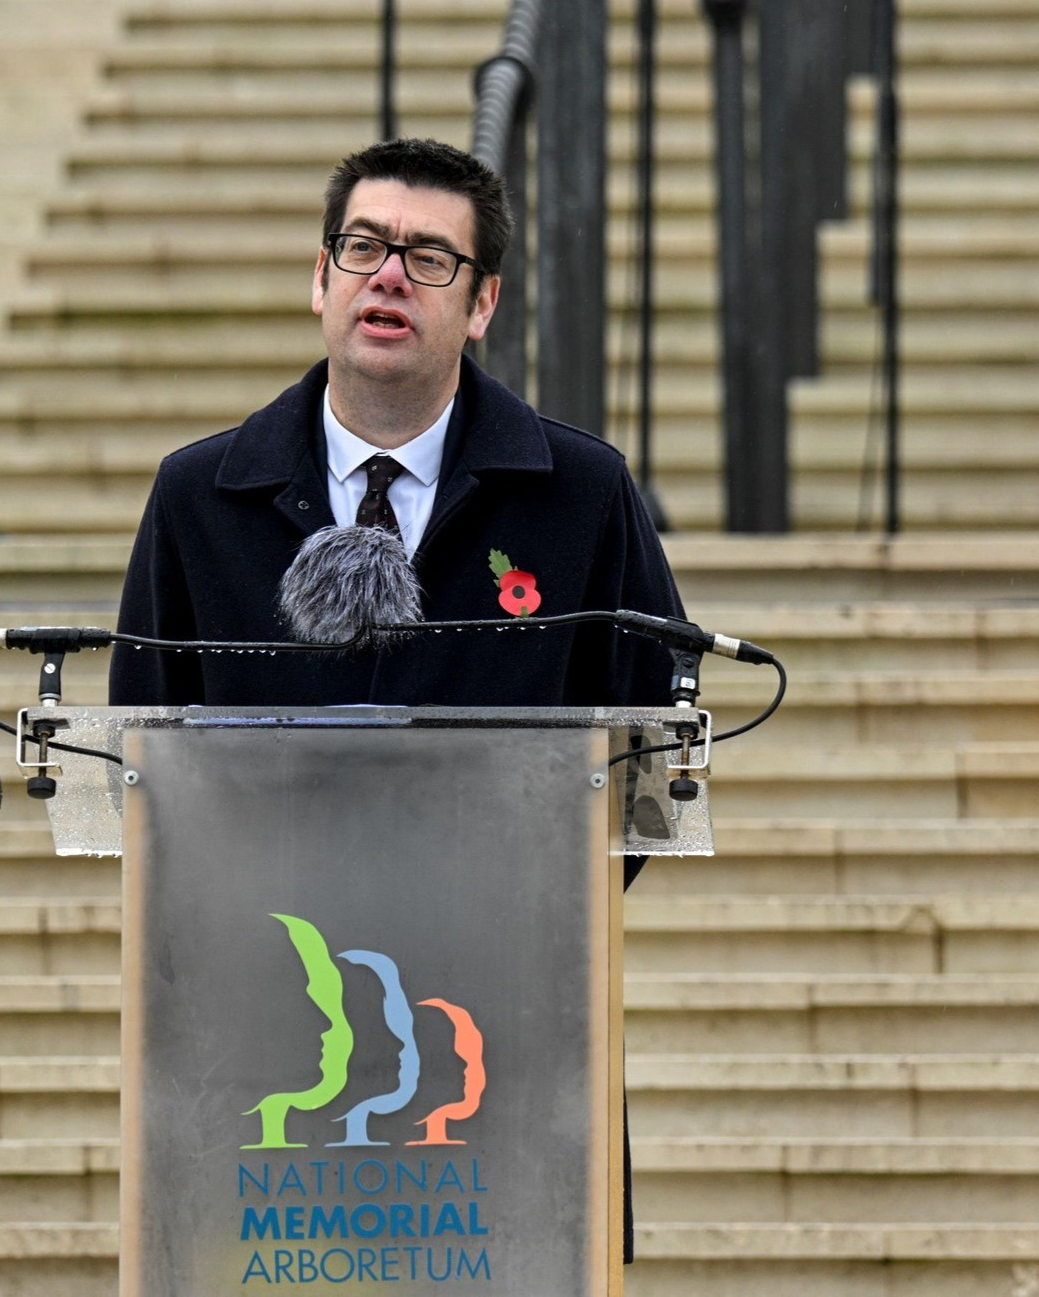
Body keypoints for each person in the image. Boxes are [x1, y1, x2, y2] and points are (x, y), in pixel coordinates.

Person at [109, 137, 686, 1262]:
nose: (387, 276)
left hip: (505, 1019)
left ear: (481, 305)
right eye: (364, 247)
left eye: (429, 258)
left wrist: (511, 900)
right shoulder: (198, 498)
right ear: (319, 279)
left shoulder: (581, 496)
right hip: (269, 1020)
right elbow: (145, 752)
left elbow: (649, 750)